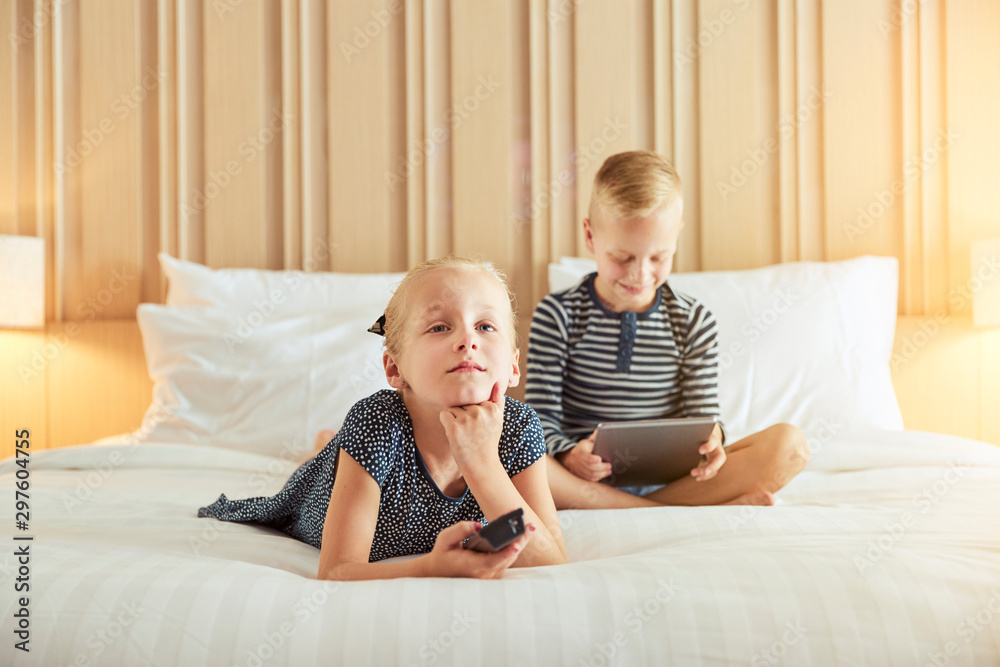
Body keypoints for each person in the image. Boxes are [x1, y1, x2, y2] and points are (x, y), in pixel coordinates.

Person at [199, 257, 568, 580]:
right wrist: (430, 568)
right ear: (394, 368)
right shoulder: (376, 422)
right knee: (314, 466)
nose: (468, 340)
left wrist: (482, 462)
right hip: (319, 495)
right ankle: (322, 451)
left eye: (486, 326)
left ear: (514, 365)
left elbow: (550, 558)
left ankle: (325, 444)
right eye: (440, 327)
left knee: (330, 448)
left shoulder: (519, 426)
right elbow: (337, 570)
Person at [525, 150, 809, 509]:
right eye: (621, 257)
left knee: (789, 446)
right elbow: (539, 420)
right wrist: (567, 455)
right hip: (580, 482)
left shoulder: (693, 321)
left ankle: (638, 507)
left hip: (671, 480)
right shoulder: (558, 315)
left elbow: (703, 416)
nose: (640, 275)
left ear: (676, 237)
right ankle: (671, 511)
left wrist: (714, 442)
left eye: (659, 258)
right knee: (511, 446)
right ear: (590, 236)